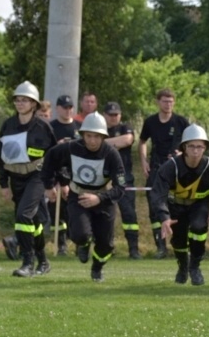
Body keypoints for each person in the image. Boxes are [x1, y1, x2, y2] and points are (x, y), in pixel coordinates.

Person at [42, 112, 126, 282]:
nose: (92, 141)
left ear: (103, 136)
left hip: (103, 199)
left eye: (96, 136)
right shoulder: (71, 148)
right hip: (77, 197)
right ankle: (84, 244)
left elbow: (121, 187)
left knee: (106, 245)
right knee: (80, 234)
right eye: (88, 136)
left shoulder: (112, 155)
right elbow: (50, 158)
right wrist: (50, 185)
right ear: (83, 135)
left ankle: (97, 267)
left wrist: (100, 198)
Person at [150, 124, 209, 286]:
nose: (195, 151)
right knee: (179, 239)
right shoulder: (170, 167)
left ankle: (195, 267)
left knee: (198, 229)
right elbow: (157, 194)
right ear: (184, 147)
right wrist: (164, 216)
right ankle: (183, 266)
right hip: (175, 205)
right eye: (191, 146)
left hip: (199, 205)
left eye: (199, 146)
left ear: (205, 148)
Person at [0, 81, 57, 277]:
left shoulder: (43, 127)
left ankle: (27, 263)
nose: (20, 103)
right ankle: (44, 261)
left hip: (37, 177)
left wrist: (53, 183)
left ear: (34, 104)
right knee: (36, 222)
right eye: (17, 100)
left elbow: (54, 156)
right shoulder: (8, 125)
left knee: (23, 216)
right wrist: (4, 183)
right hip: (16, 178)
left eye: (25, 100)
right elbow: (1, 155)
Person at [139, 88, 189, 259]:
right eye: (165, 101)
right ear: (158, 102)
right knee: (155, 208)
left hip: (177, 170)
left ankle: (179, 245)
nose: (168, 104)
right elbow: (142, 142)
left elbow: (192, 142)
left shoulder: (181, 122)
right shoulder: (150, 122)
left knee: (177, 207)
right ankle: (161, 247)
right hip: (156, 169)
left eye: (171, 101)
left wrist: (182, 154)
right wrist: (144, 161)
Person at [44, 94, 81, 256]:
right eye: (64, 108)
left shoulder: (80, 127)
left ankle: (81, 244)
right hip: (58, 176)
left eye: (70, 107)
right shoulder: (51, 128)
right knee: (57, 213)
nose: (68, 111)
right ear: (58, 108)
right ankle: (61, 244)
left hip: (78, 176)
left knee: (78, 211)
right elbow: (48, 157)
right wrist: (56, 182)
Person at [103, 101, 140, 259]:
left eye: (116, 114)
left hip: (124, 177)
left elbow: (127, 140)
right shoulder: (100, 129)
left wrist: (102, 143)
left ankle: (133, 249)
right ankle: (106, 248)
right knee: (105, 215)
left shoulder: (125, 127)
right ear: (104, 115)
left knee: (129, 214)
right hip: (104, 178)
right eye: (110, 115)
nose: (113, 117)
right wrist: (114, 144)